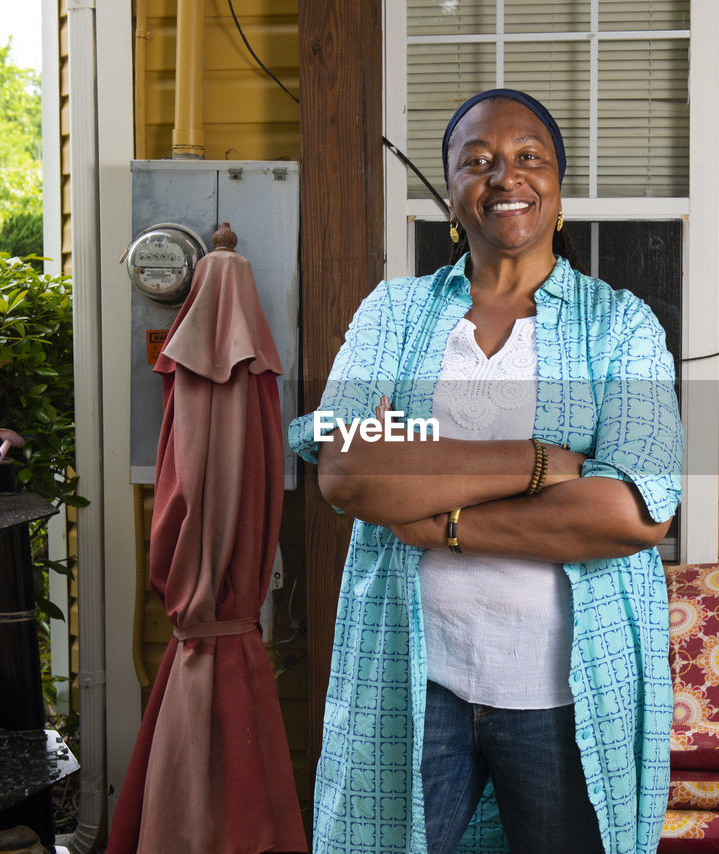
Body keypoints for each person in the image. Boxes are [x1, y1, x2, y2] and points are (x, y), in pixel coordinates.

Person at [288, 89, 684, 854]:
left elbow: (633, 512)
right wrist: (537, 463)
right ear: (452, 196)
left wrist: (443, 521)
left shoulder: (619, 324)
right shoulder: (395, 315)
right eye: (479, 162)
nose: (506, 177)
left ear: (558, 187)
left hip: (561, 694)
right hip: (411, 678)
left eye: (529, 157)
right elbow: (347, 468)